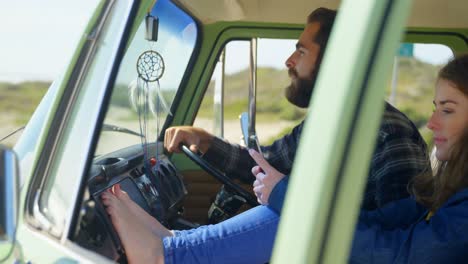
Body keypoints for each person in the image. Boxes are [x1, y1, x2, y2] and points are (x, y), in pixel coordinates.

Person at [101, 8, 429, 263]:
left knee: (286, 212)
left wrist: (307, 213)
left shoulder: (389, 132)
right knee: (286, 206)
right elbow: (263, 164)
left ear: (335, 60)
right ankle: (173, 243)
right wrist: (204, 141)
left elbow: (397, 234)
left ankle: (170, 254)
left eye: (301, 50)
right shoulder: (333, 123)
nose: (289, 61)